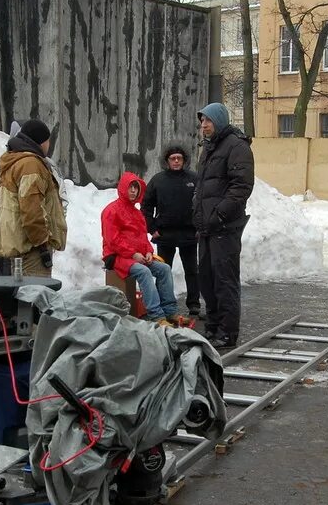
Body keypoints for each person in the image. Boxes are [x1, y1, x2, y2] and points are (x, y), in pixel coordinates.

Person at [192, 102, 253, 349]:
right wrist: (197, 213)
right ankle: (213, 327)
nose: (203, 125)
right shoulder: (209, 148)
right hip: (206, 227)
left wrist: (218, 215)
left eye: (207, 120)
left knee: (224, 281)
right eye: (201, 122)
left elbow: (241, 188)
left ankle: (227, 333)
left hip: (225, 227)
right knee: (206, 279)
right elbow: (203, 187)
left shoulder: (236, 147)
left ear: (219, 120)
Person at [0, 121, 68, 275]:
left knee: (11, 295)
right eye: (48, 140)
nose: (49, 145)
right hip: (29, 250)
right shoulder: (31, 165)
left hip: (13, 244)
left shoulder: (13, 160)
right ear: (40, 141)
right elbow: (32, 210)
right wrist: (42, 245)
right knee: (34, 295)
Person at [101, 171, 180, 325]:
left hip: (136, 256)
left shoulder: (137, 213)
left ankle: (170, 312)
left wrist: (149, 251)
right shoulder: (111, 210)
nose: (133, 191)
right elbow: (113, 240)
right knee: (144, 272)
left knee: (164, 269)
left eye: (136, 188)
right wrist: (133, 254)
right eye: (130, 187)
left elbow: (143, 237)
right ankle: (156, 315)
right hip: (116, 256)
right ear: (123, 188)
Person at [141, 144, 201, 317]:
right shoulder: (158, 180)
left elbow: (202, 204)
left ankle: (194, 304)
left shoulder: (194, 179)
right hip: (165, 234)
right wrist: (152, 228)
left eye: (179, 158)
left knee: (192, 271)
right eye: (172, 158)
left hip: (189, 234)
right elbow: (146, 206)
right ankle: (163, 304)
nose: (176, 161)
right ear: (167, 161)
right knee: (164, 271)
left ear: (184, 160)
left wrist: (199, 227)